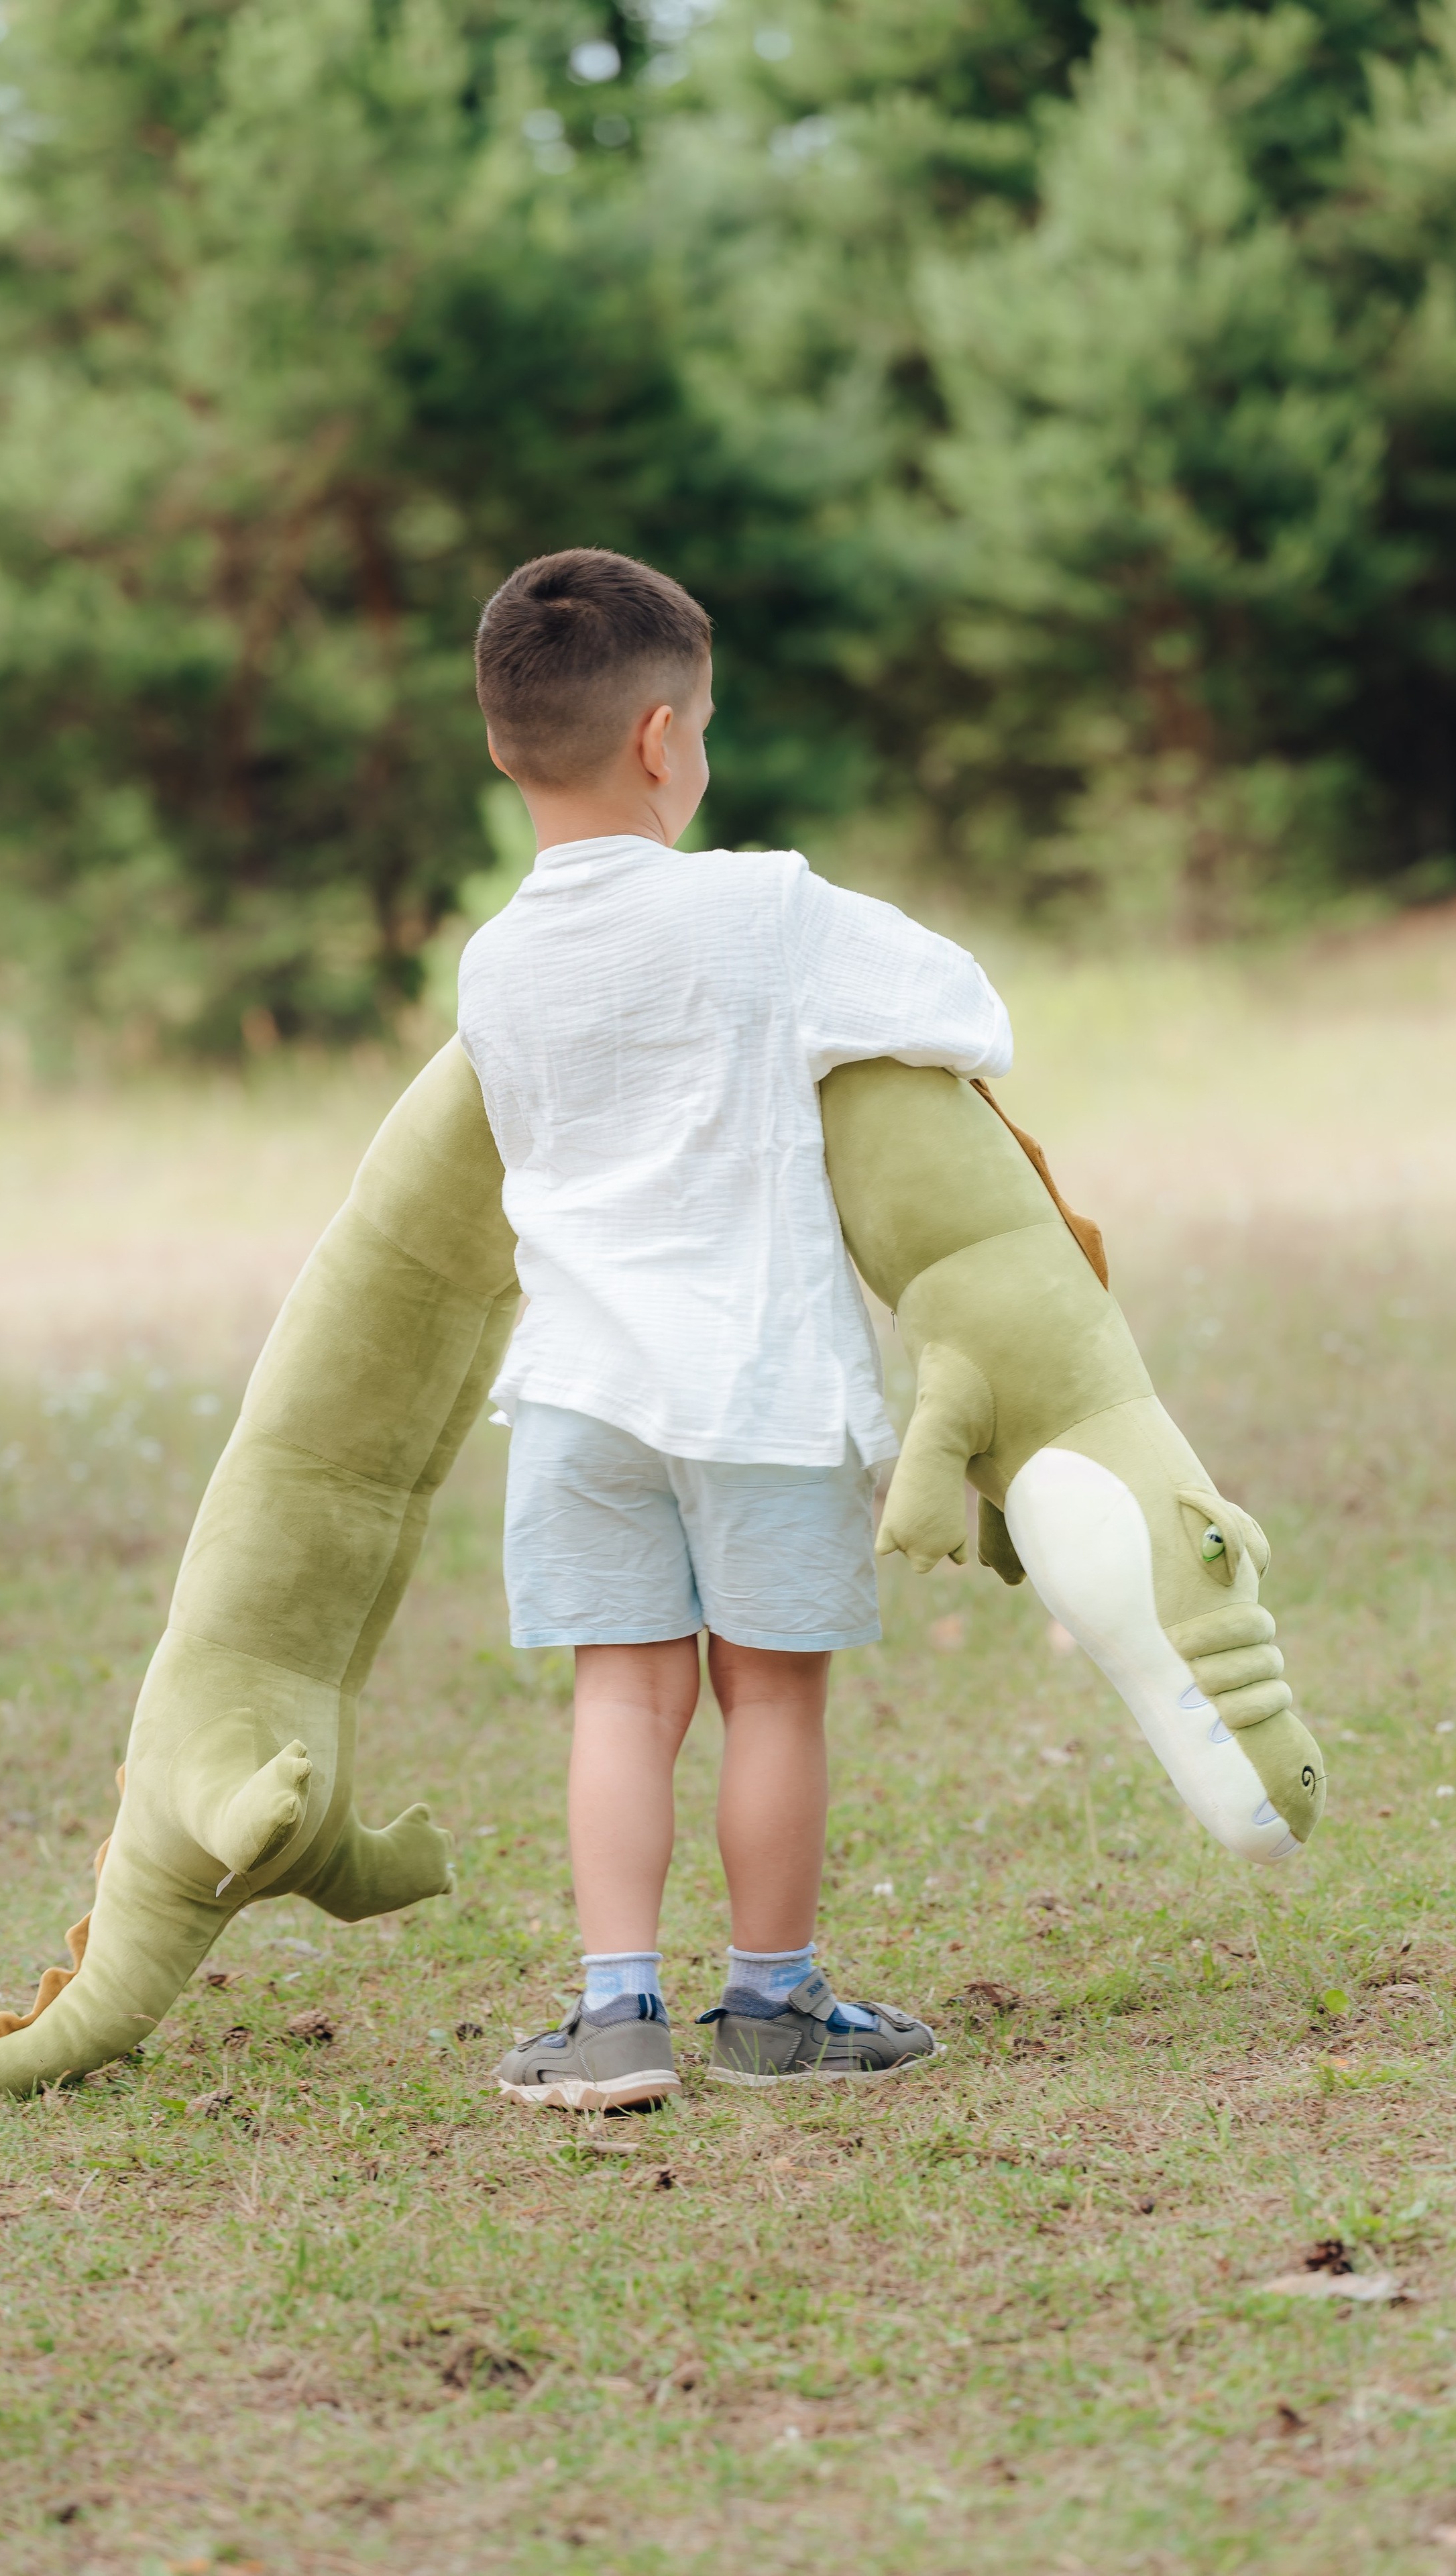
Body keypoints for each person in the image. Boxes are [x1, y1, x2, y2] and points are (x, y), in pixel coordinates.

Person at [457, 549, 1011, 2111]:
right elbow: (965, 1006)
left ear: (503, 744)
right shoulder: (760, 908)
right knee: (771, 1695)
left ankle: (614, 2013)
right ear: (657, 740)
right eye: (698, 727)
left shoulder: (489, 962)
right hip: (759, 1385)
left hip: (576, 1393)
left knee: (620, 1695)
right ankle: (770, 2004)